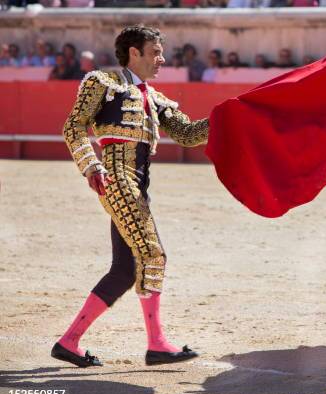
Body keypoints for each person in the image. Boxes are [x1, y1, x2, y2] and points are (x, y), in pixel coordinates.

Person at [53, 25, 209, 368]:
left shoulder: (154, 98)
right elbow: (73, 126)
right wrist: (91, 166)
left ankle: (69, 342)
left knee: (125, 269)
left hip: (139, 185)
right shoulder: (103, 82)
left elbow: (187, 134)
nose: (162, 59)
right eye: (155, 52)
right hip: (117, 178)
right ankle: (157, 345)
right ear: (133, 52)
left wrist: (225, 118)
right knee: (152, 254)